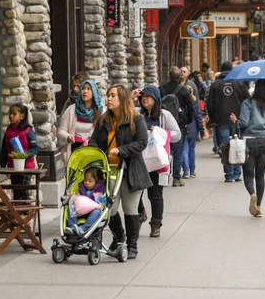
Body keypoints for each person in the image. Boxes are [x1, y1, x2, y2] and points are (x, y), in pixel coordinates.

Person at [89, 84, 151, 259]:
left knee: (130, 209)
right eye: (108, 95)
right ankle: (119, 237)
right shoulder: (103, 120)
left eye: (113, 95)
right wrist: (93, 151)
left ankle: (132, 246)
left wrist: (121, 150)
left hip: (131, 171)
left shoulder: (136, 119)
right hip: (110, 171)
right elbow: (94, 141)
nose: (109, 98)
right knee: (111, 209)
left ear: (122, 98)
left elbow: (142, 142)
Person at [230, 79, 265, 218]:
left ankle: (252, 194)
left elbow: (243, 123)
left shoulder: (248, 103)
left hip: (249, 142)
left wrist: (235, 121)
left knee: (248, 174)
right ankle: (258, 207)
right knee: (260, 176)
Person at [138, 85, 180, 237]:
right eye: (142, 97)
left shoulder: (165, 115)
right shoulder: (138, 114)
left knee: (155, 194)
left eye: (147, 96)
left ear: (155, 99)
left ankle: (156, 223)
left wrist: (160, 133)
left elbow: (177, 134)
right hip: (140, 159)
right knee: (135, 190)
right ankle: (140, 212)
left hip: (157, 160)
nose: (144, 99)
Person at [206, 61, 250, 182]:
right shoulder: (239, 83)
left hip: (221, 120)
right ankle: (237, 172)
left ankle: (229, 174)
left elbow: (210, 104)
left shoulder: (216, 84)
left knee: (225, 147)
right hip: (237, 119)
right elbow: (247, 100)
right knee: (237, 145)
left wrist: (213, 119)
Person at [160, 66, 194, 187]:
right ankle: (176, 177)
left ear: (169, 76)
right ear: (180, 77)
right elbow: (191, 109)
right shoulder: (183, 91)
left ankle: (163, 175)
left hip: (163, 125)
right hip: (179, 125)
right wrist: (188, 122)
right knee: (178, 152)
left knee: (164, 151)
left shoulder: (162, 89)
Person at [58, 79, 104, 163]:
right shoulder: (71, 110)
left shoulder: (102, 111)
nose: (85, 91)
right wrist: (68, 137)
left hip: (94, 150)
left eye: (88, 89)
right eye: (83, 88)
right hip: (75, 151)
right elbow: (61, 130)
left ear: (94, 91)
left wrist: (90, 141)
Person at [0, 103, 39, 201]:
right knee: (16, 191)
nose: (11, 116)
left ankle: (26, 210)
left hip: (26, 167)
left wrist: (25, 155)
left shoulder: (28, 130)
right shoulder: (9, 130)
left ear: (22, 116)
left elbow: (35, 148)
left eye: (14, 114)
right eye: (10, 113)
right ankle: (18, 211)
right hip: (13, 166)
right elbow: (4, 148)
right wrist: (2, 164)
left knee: (23, 188)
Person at [65, 167, 106, 236]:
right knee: (71, 207)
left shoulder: (100, 192)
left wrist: (103, 205)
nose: (87, 183)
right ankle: (72, 227)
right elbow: (77, 199)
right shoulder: (81, 189)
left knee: (97, 211)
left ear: (97, 181)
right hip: (80, 210)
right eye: (85, 180)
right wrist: (72, 196)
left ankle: (82, 228)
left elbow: (104, 202)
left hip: (91, 212)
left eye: (90, 181)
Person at [182, 84, 205, 178]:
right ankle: (192, 170)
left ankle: (186, 171)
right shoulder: (194, 102)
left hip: (183, 126)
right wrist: (202, 130)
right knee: (191, 150)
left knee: (184, 149)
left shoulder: (180, 101)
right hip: (193, 127)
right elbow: (198, 116)